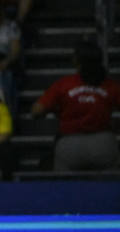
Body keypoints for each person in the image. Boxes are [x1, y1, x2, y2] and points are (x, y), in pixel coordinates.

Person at [32, 40, 120, 172]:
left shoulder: (63, 84)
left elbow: (36, 111)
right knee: (110, 186)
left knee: (64, 186)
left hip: (70, 145)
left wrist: (56, 110)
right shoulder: (111, 85)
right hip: (104, 144)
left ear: (76, 60)